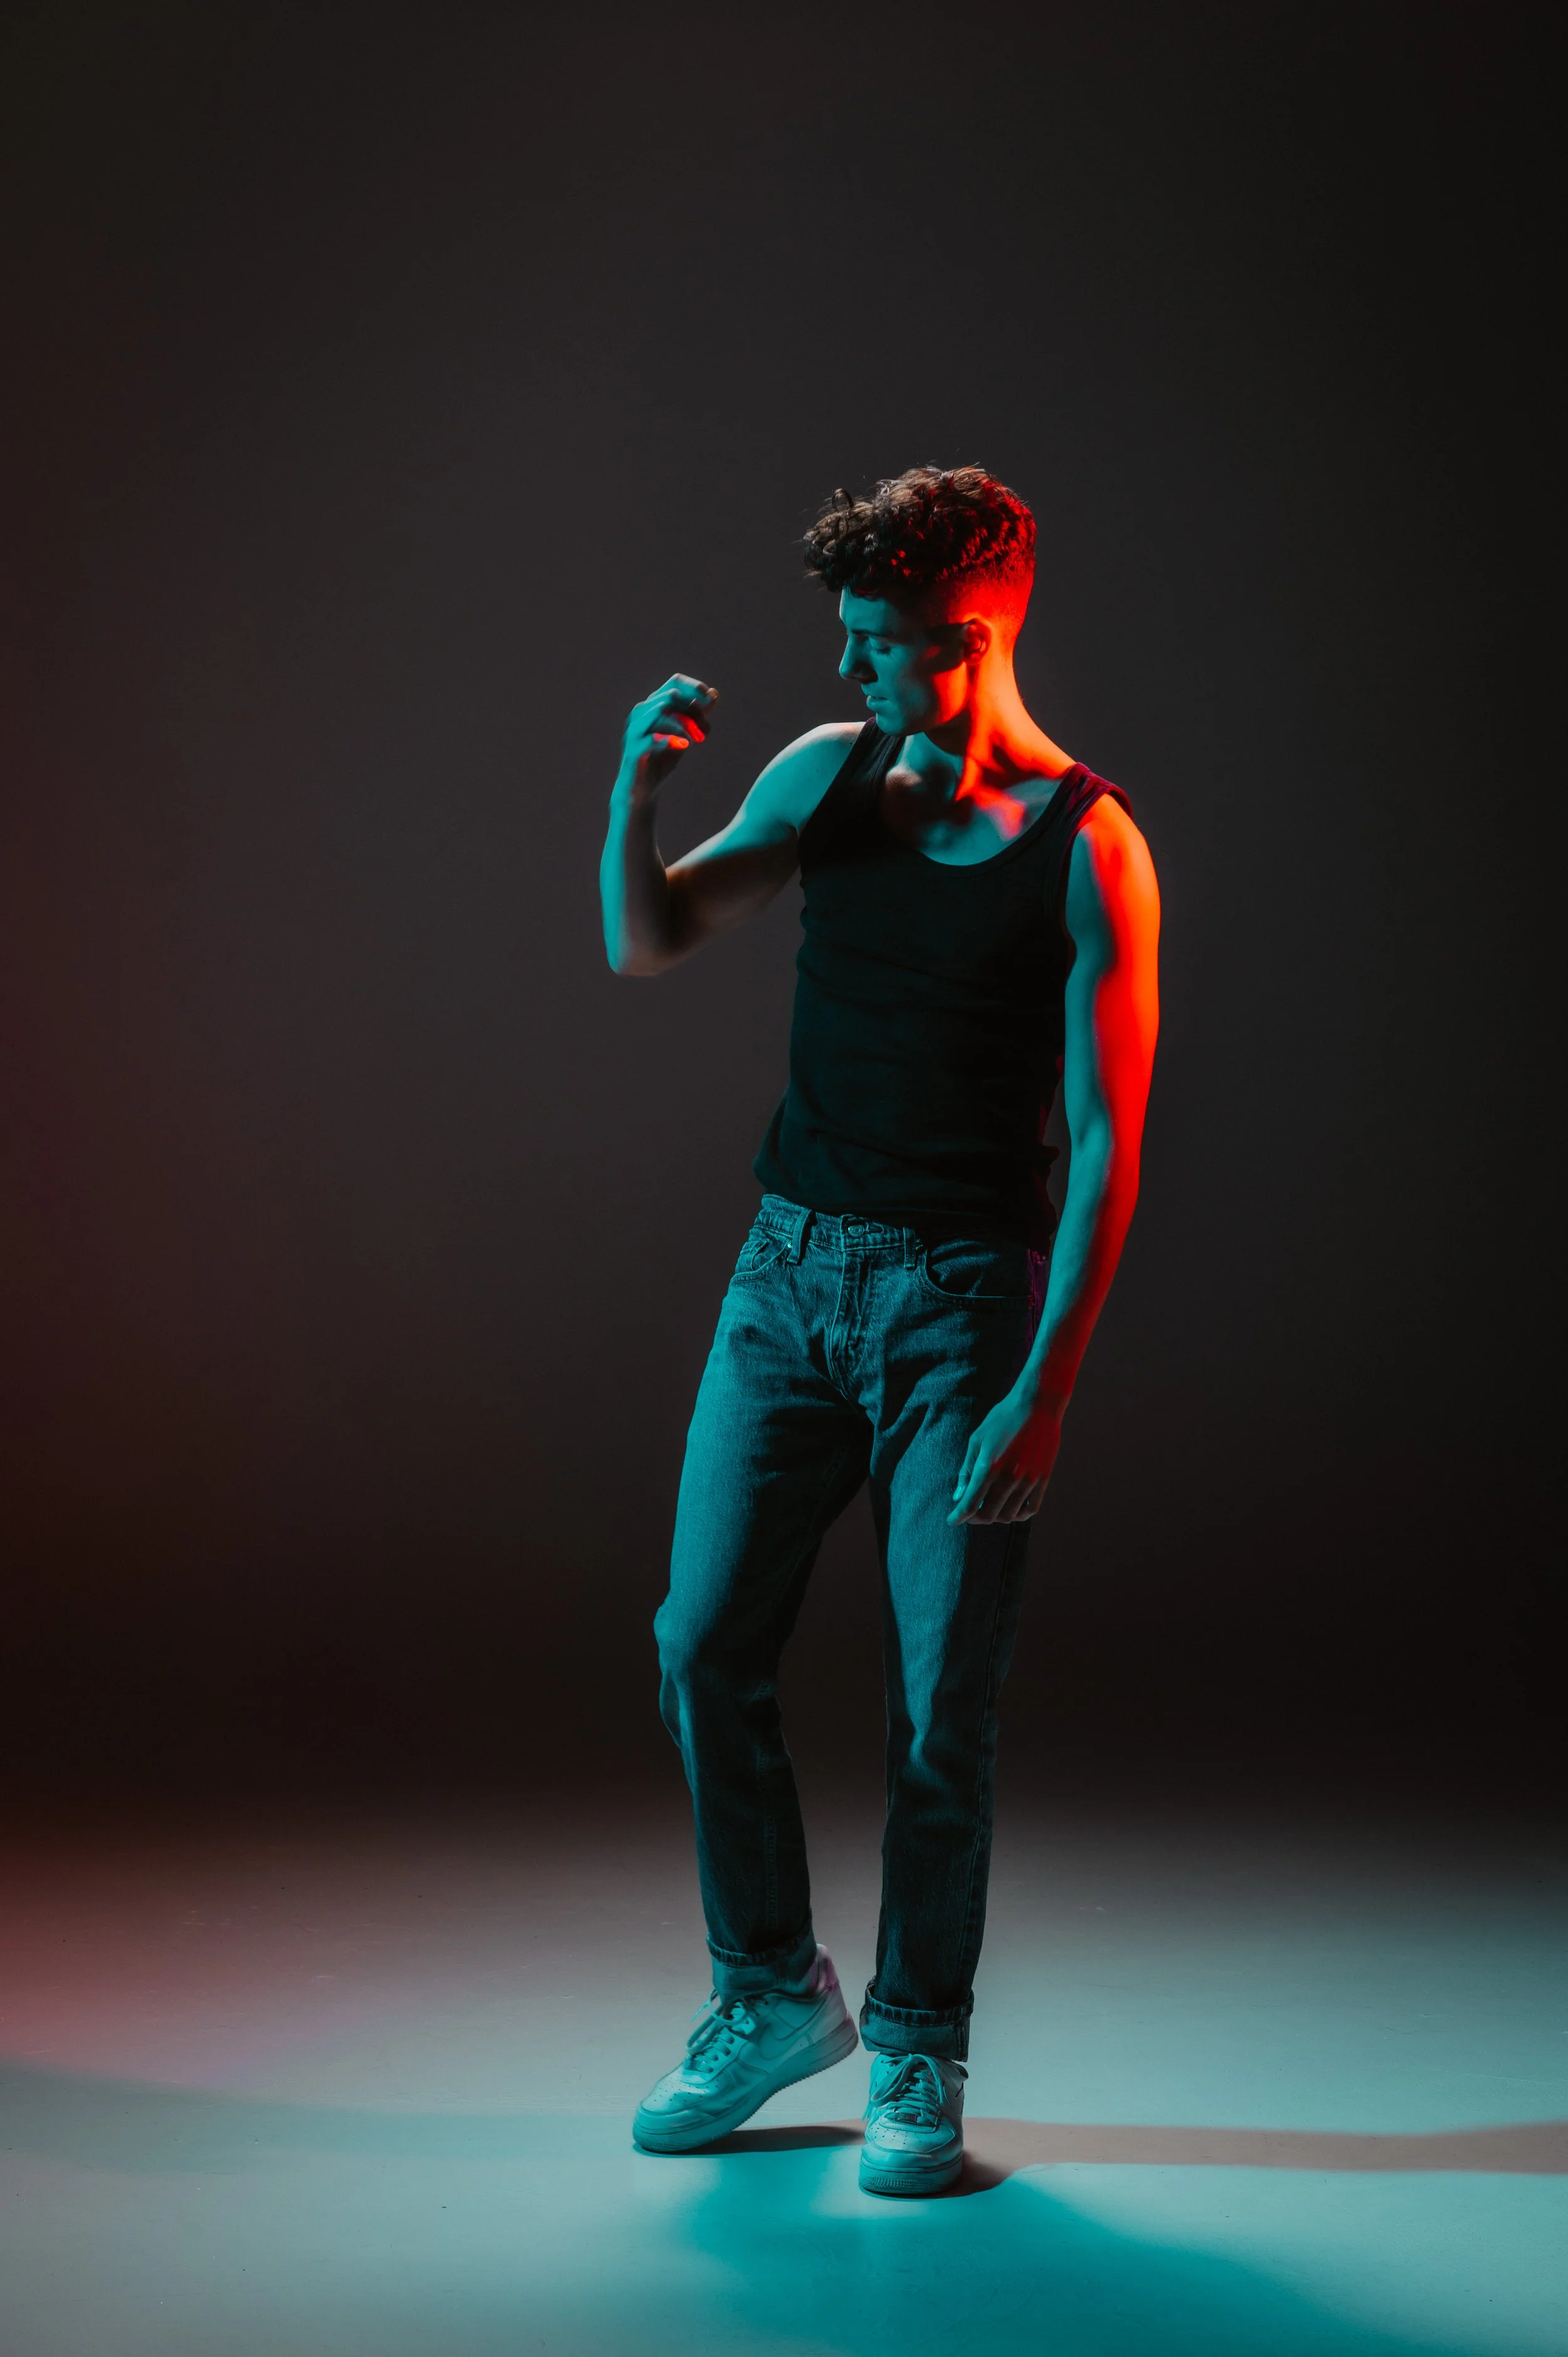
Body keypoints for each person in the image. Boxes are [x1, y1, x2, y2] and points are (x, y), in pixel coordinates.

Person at [599, 466, 1160, 2196]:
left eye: (882, 649)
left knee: (938, 1707)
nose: (853, 679)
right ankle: (771, 1992)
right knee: (701, 1639)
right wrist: (634, 792)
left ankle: (918, 2043)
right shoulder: (820, 777)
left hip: (959, 1315)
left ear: (974, 633)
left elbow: (1106, 1152)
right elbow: (650, 940)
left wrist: (1044, 1393)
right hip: (786, 1281)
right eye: (842, 642)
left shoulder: (1087, 846)